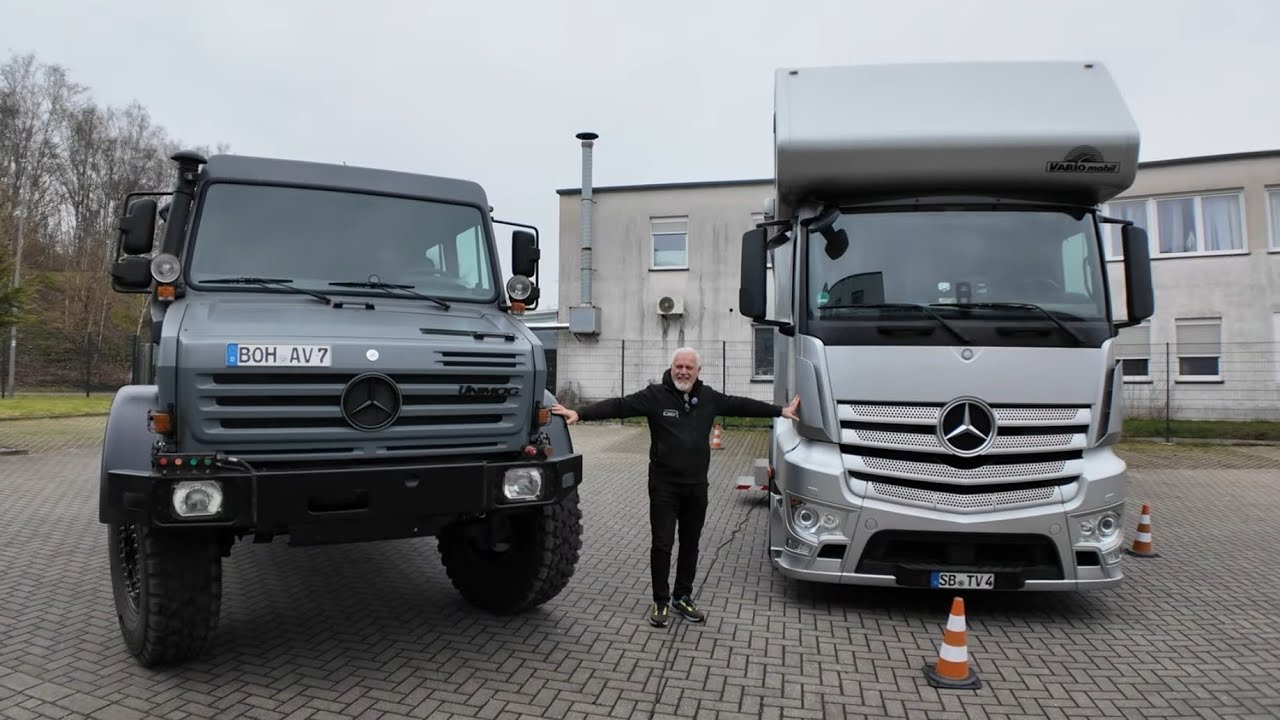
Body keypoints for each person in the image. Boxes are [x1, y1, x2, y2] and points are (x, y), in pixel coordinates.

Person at [550, 346, 799, 628]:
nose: (683, 371)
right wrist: (580, 414)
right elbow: (619, 405)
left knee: (691, 544)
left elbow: (741, 405)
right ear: (671, 368)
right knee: (662, 544)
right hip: (663, 487)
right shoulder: (654, 396)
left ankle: (682, 597)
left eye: (688, 367)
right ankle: (660, 600)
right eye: (678, 366)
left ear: (698, 371)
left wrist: (780, 411)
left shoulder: (709, 398)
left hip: (696, 487)